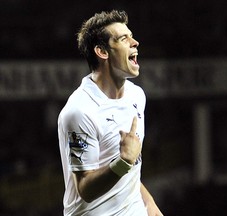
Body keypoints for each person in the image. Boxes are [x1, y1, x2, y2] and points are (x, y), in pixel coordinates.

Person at [58, 10, 163, 216]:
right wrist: (123, 162)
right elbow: (86, 189)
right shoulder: (79, 111)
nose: (135, 43)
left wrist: (151, 208)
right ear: (102, 51)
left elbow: (131, 174)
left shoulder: (136, 96)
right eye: (124, 38)